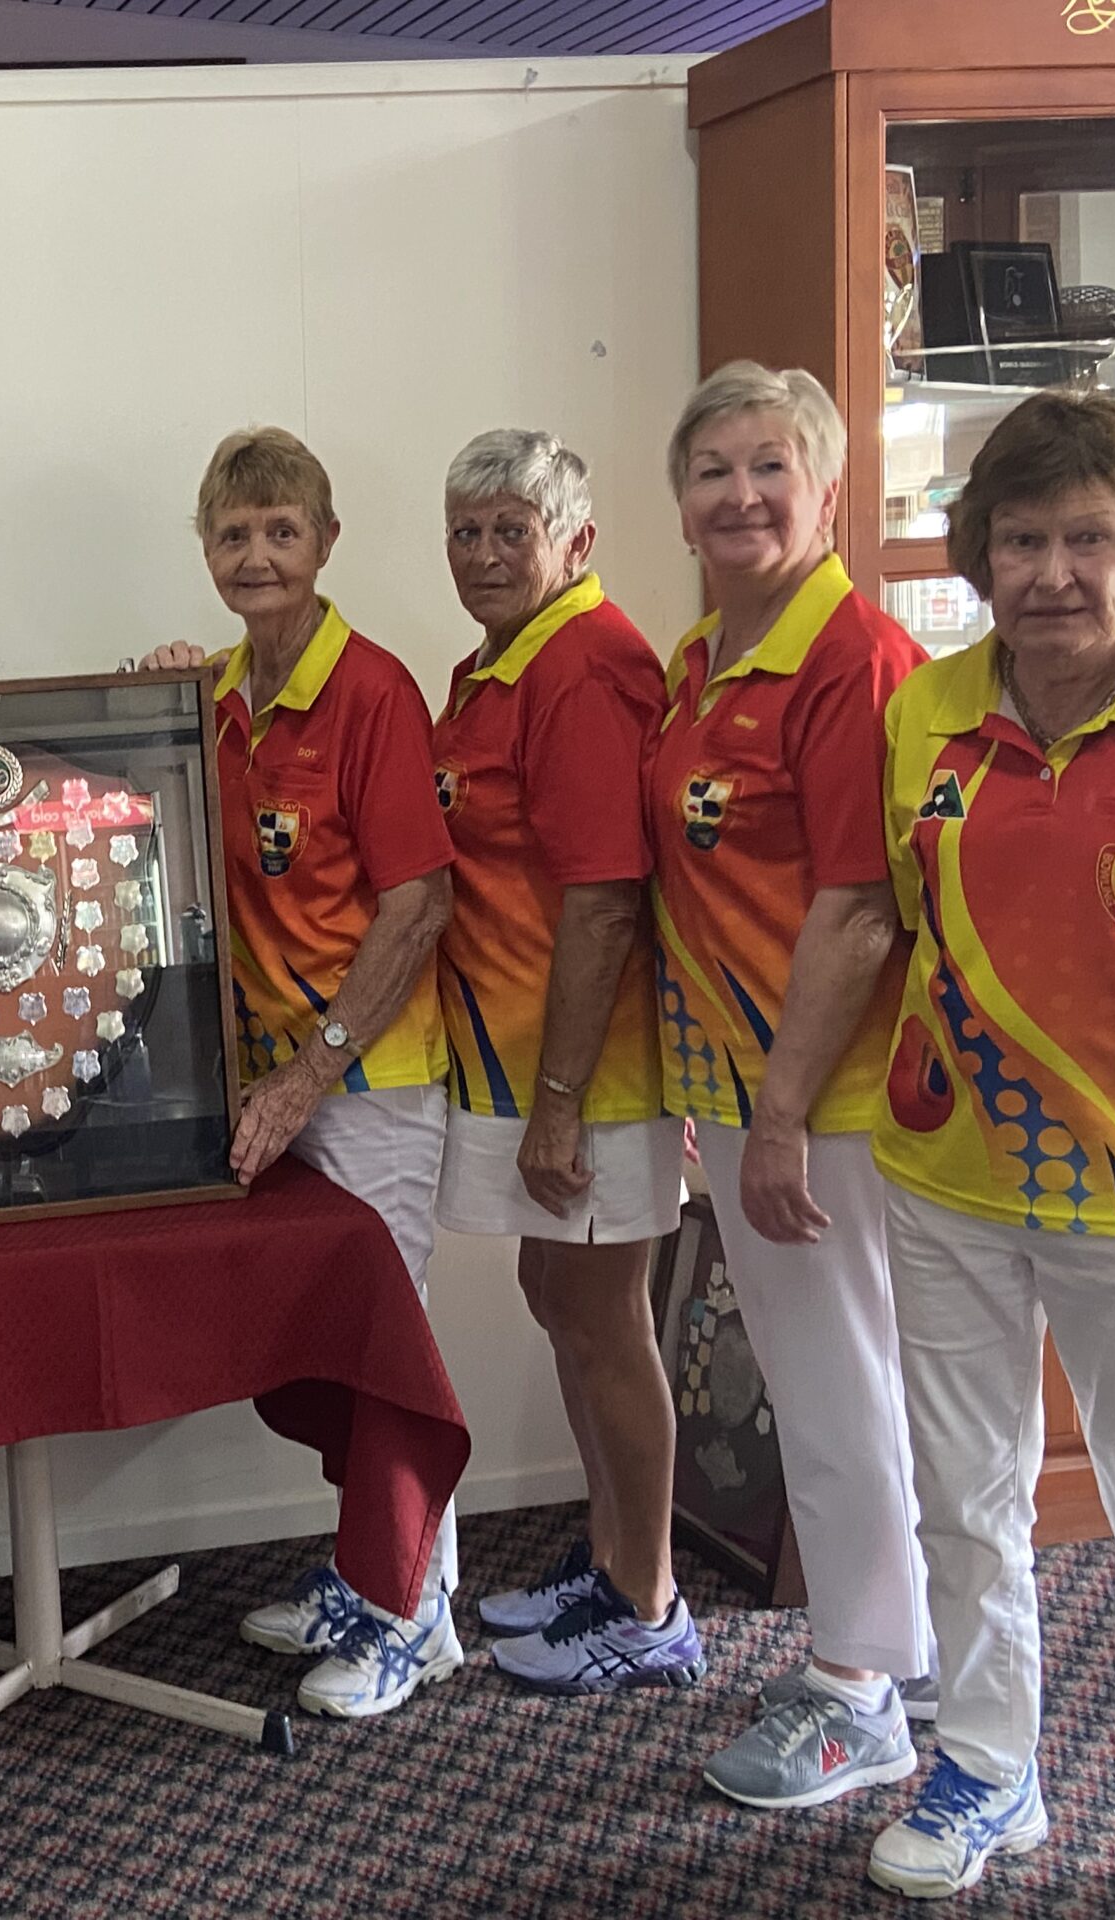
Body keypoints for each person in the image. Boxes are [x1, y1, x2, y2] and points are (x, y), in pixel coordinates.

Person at [863, 389, 1115, 1919]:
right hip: (947, 1178)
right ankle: (988, 1763)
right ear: (976, 557)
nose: (1052, 574)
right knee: (965, 1496)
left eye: (1089, 537)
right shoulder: (927, 709)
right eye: (1021, 539)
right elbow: (887, 915)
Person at [642, 361, 938, 1808]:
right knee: (834, 1386)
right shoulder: (705, 660)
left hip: (830, 1111)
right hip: (753, 1098)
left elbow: (861, 904)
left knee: (837, 1392)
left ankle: (860, 1691)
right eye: (713, 470)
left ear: (829, 491)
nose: (741, 495)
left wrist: (773, 1119)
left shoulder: (852, 660)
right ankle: (884, 1648)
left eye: (772, 467)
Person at [139, 428, 459, 1720]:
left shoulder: (373, 691)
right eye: (234, 535)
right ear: (207, 552)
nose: (257, 555)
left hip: (366, 1080)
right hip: (271, 1076)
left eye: (282, 531)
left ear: (327, 543)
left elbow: (419, 903)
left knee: (391, 1356)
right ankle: (373, 1573)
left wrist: (316, 1071)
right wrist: (148, 697)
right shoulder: (218, 693)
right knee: (316, 1348)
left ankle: (409, 1616)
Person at [417, 430, 697, 1697]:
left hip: (590, 1072)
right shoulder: (501, 665)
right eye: (465, 532)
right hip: (523, 1057)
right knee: (562, 1302)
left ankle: (648, 1603)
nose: (482, 555)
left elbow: (602, 900)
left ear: (573, 542)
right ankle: (609, 1561)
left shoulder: (581, 669)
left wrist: (562, 1104)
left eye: (509, 531)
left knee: (602, 1321)